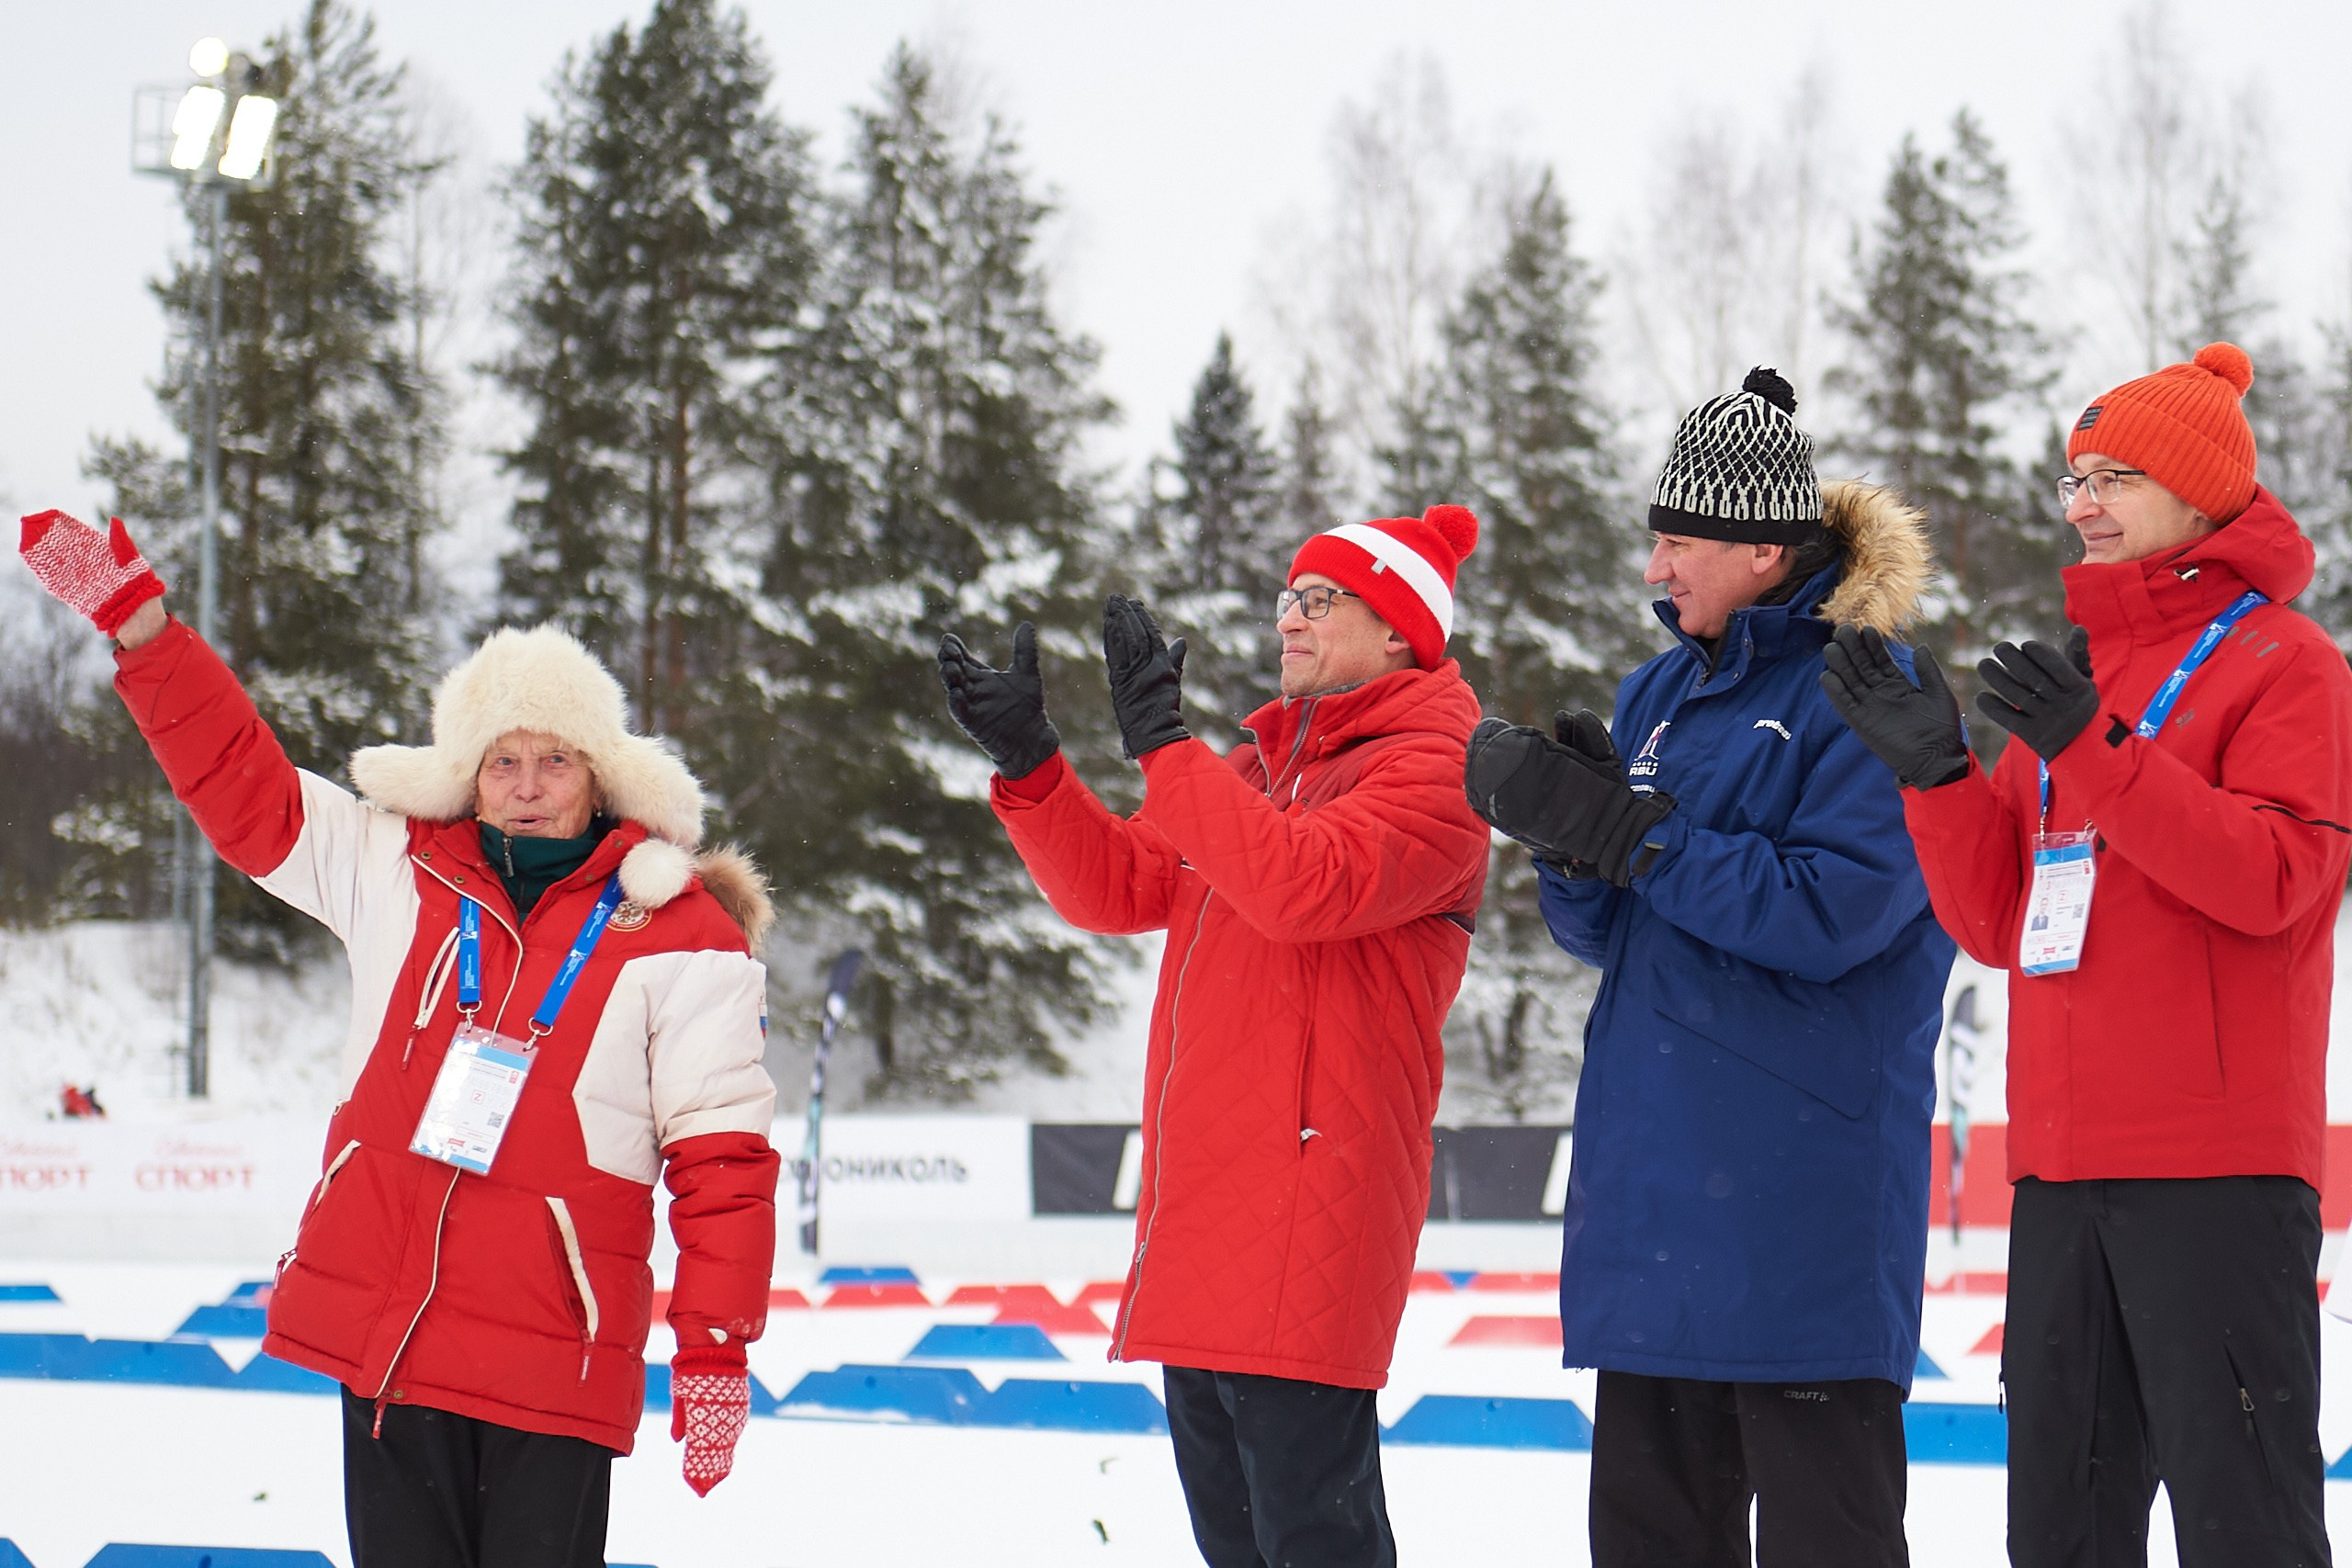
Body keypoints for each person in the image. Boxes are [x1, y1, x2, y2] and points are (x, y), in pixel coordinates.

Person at [16, 509, 782, 1568]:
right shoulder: (397, 869)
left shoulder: (679, 932)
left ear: (598, 776)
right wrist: (146, 633)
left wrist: (715, 1349)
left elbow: (722, 1161)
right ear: (466, 771)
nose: (524, 784)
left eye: (552, 760)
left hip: (550, 1368)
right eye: (501, 759)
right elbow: (246, 791)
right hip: (392, 1347)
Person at [1821, 342, 2351, 1568]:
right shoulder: (2081, 679)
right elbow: (2004, 920)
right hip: (2061, 1177)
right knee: (2059, 1531)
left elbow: (2277, 880)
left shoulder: (2289, 665)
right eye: (2076, 476)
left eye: (2115, 475)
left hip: (2215, 1175)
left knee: (2248, 1526)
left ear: (2204, 493)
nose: (2083, 504)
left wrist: (2103, 750)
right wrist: (1940, 775)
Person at [935, 505, 1490, 1568]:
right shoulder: (1255, 772)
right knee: (1234, 1542)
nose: (1290, 619)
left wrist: (1163, 746)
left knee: (1312, 1540)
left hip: (1311, 1204)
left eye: (1320, 601)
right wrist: (1036, 769)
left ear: (1400, 633)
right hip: (1210, 1211)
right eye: (1288, 596)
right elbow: (1119, 887)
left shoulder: (1437, 771)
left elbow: (1298, 885)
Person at [1464, 368, 1952, 1568]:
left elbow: (1835, 909)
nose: (1655, 569)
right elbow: (1608, 936)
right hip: (1654, 1207)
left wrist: (1640, 836)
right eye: (1655, 540)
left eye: (1677, 539)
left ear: (1763, 551)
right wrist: (1574, 845)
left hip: (1803, 1216)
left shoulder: (1872, 685)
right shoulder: (1658, 693)